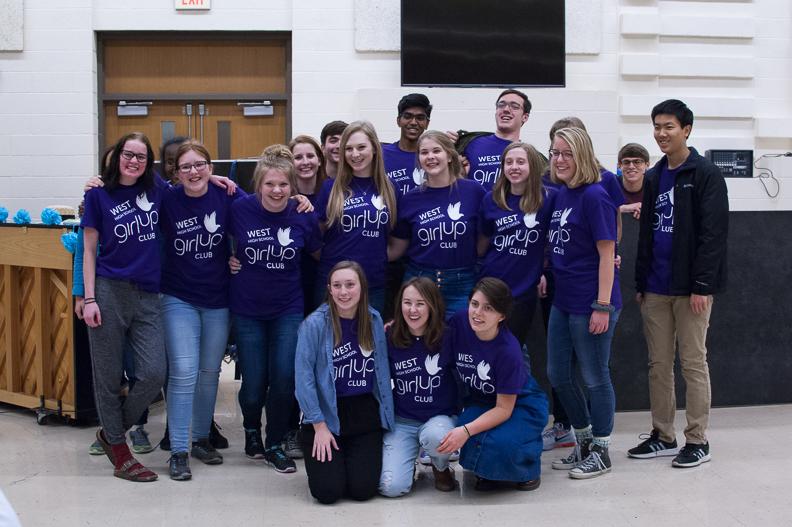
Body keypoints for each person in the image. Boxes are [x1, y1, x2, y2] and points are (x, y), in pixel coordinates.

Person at [630, 99, 728, 468]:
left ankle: (697, 439)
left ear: (686, 129)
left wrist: (703, 285)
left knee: (692, 364)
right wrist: (641, 281)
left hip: (691, 290)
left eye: (668, 126)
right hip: (656, 287)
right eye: (656, 126)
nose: (661, 133)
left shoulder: (704, 174)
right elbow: (647, 236)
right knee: (658, 364)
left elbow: (713, 235)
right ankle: (663, 435)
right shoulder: (655, 176)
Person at [228, 146, 323, 474]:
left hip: (288, 309)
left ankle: (275, 442)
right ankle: (251, 430)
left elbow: (317, 254)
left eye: (284, 184)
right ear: (259, 185)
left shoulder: (303, 213)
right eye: (270, 184)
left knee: (284, 379)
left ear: (292, 185)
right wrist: (229, 257)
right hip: (248, 310)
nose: (277, 190)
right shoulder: (240, 209)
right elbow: (214, 232)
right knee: (254, 384)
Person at [81, 132, 167, 482]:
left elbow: (192, 188)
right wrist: (88, 299)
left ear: (148, 162)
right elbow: (87, 251)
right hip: (108, 291)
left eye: (142, 157)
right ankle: (120, 452)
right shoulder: (98, 194)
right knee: (107, 376)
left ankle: (110, 433)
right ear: (116, 156)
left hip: (147, 294)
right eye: (128, 154)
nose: (134, 161)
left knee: (152, 374)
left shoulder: (156, 189)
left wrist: (217, 177)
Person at [158, 140, 244, 480]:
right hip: (178, 297)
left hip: (218, 299)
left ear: (210, 166)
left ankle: (200, 439)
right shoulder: (167, 198)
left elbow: (263, 208)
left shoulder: (226, 195)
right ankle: (178, 449)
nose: (193, 171)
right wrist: (97, 184)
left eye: (200, 164)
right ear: (175, 173)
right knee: (183, 371)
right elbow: (127, 190)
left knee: (210, 373)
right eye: (186, 167)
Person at [546, 127, 621, 479]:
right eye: (555, 153)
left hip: (592, 301)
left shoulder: (595, 195)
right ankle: (585, 440)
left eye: (566, 153)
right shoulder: (563, 194)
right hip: (564, 300)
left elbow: (608, 254)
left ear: (583, 155)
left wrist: (602, 305)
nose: (559, 160)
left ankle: (602, 451)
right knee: (558, 375)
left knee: (595, 377)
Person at [295, 261, 395, 504]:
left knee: (363, 491)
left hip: (362, 412)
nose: (344, 292)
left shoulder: (373, 320)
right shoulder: (314, 325)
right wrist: (318, 425)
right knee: (327, 493)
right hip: (326, 413)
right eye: (337, 286)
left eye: (350, 285)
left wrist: (387, 419)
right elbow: (303, 379)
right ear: (329, 289)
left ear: (362, 287)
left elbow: (382, 375)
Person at [437, 278, 548, 491]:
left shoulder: (509, 351)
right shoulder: (460, 322)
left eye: (488, 308)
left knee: (498, 443)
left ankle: (528, 465)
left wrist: (466, 431)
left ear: (502, 315)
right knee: (468, 433)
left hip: (520, 404)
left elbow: (504, 409)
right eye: (475, 304)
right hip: (482, 399)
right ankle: (489, 469)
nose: (477, 313)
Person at [389, 131, 485, 315]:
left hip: (462, 282)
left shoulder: (474, 191)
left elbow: (484, 238)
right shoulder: (410, 199)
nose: (430, 157)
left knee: (459, 338)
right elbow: (398, 248)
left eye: (436, 151)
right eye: (424, 153)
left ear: (449, 155)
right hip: (419, 281)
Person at [378, 277, 457, 497]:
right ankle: (405, 464)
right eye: (407, 302)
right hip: (402, 421)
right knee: (390, 488)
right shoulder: (389, 335)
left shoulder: (448, 335)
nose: (413, 310)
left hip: (438, 418)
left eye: (420, 303)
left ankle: (440, 468)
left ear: (432, 305)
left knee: (435, 437)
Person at [478, 141, 554, 351]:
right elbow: (482, 245)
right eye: (509, 162)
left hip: (523, 291)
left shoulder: (547, 200)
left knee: (512, 349)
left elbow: (554, 239)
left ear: (533, 167)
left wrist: (543, 270)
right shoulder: (491, 199)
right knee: (487, 349)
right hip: (491, 286)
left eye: (521, 162)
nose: (514, 167)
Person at [315, 121, 397, 314]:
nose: (355, 154)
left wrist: (375, 257)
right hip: (333, 283)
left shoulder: (390, 189)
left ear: (375, 149)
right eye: (349, 149)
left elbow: (397, 240)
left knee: (369, 342)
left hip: (373, 282)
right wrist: (333, 260)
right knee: (328, 342)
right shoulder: (330, 188)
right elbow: (315, 238)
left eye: (361, 147)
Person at [451, 89, 531, 191]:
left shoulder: (528, 155)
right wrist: (446, 147)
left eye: (514, 106)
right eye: (501, 105)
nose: (506, 109)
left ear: (525, 117)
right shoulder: (470, 143)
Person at [382, 93, 432, 197]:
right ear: (398, 121)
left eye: (420, 117)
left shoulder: (434, 157)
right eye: (407, 116)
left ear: (427, 123)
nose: (413, 122)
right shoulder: (381, 154)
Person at [289, 134, 327, 205]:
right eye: (298, 157)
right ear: (290, 163)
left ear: (319, 161)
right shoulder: (284, 196)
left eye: (310, 156)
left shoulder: (332, 190)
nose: (305, 162)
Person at [617, 142, 650, 218]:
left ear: (647, 165)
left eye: (637, 162)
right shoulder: (611, 185)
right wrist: (625, 208)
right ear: (619, 165)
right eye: (626, 162)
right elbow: (599, 211)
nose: (631, 166)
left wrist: (648, 209)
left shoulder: (654, 186)